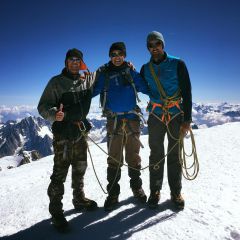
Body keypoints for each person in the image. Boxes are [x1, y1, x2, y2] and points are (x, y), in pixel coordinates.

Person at [38, 48, 97, 232]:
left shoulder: (85, 80)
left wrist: (125, 64)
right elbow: (43, 106)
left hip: (80, 132)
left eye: (77, 60)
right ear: (66, 62)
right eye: (71, 59)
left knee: (80, 168)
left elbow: (105, 71)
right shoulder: (56, 83)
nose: (74, 62)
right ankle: (56, 211)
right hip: (63, 134)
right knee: (60, 174)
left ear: (81, 63)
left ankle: (79, 199)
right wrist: (55, 114)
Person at [93, 42, 149, 211]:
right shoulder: (104, 74)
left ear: (124, 56)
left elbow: (146, 87)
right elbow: (91, 91)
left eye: (120, 54)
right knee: (114, 157)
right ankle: (113, 193)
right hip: (115, 121)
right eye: (113, 54)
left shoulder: (130, 72)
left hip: (131, 119)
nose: (117, 57)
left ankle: (136, 187)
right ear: (110, 56)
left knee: (133, 156)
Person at [140, 31, 192, 210]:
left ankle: (175, 191)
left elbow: (187, 91)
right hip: (155, 115)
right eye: (151, 45)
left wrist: (188, 119)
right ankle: (155, 191)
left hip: (176, 114)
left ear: (163, 45)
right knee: (156, 153)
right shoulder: (145, 69)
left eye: (157, 44)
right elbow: (138, 84)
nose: (154, 48)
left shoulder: (178, 63)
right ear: (148, 48)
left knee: (174, 153)